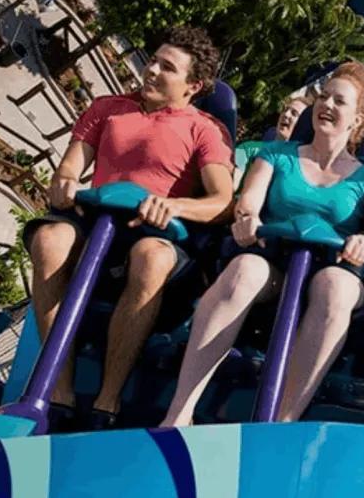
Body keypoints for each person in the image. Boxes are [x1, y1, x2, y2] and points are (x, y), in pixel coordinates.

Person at [162, 62, 364, 426]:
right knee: (244, 270)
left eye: (340, 101)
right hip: (274, 263)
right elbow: (249, 202)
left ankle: (280, 423)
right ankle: (179, 413)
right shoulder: (279, 155)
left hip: (332, 269)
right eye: (324, 97)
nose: (327, 105)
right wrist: (247, 219)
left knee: (334, 287)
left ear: (357, 119)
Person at [23, 26, 234, 429]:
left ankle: (107, 400)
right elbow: (67, 170)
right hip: (94, 222)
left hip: (152, 231)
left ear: (193, 85)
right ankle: (58, 390)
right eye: (152, 60)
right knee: (49, 239)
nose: (151, 70)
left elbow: (221, 202)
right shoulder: (107, 108)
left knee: (150, 258)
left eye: (166, 68)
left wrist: (171, 206)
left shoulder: (205, 129)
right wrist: (65, 184)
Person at [233, 95, 312, 188]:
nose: (286, 114)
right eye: (285, 109)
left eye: (294, 113)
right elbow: (231, 185)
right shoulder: (247, 149)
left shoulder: (303, 169)